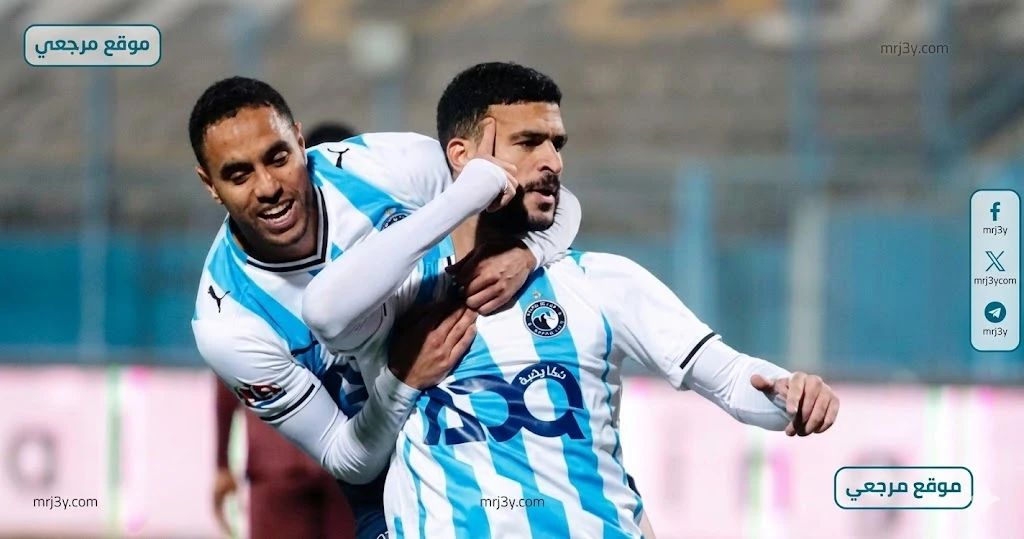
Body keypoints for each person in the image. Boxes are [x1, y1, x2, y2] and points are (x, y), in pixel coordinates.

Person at [301, 62, 841, 537]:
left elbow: (731, 379)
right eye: (528, 142)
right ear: (462, 158)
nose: (553, 162)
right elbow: (325, 314)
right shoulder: (399, 297)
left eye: (556, 144)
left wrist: (790, 397)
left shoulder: (603, 283)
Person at [189, 76, 583, 538]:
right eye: (239, 175)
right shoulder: (228, 322)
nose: (268, 187)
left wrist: (530, 251)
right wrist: (404, 377)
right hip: (388, 485)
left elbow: (559, 202)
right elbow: (345, 458)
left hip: (491, 433)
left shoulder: (384, 164)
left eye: (279, 158)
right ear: (209, 184)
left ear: (299, 141)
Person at [209, 121, 361, 539]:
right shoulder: (369, 246)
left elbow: (228, 368)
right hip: (341, 461)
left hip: (289, 464)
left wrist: (221, 464)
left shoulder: (249, 260)